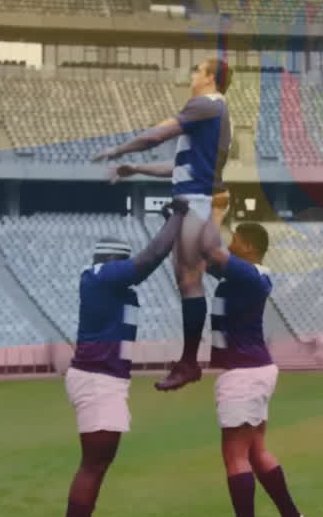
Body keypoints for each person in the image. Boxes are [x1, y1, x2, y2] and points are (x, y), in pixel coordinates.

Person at [94, 57, 233, 391]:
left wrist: (119, 149)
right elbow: (179, 167)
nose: (193, 74)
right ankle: (193, 360)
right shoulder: (214, 113)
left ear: (211, 77)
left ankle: (190, 362)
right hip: (196, 196)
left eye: (197, 70)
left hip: (196, 200)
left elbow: (158, 135)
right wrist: (137, 169)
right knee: (193, 276)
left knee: (191, 278)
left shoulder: (205, 104)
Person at [56, 200, 187, 517]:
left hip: (105, 378)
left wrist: (171, 226)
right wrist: (177, 216)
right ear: (113, 261)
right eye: (123, 263)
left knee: (100, 461)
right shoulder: (103, 275)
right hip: (98, 379)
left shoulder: (108, 284)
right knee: (94, 462)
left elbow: (157, 258)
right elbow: (146, 261)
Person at [196, 193, 309, 517]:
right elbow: (205, 257)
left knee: (235, 455)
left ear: (246, 245)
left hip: (243, 373)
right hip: (253, 369)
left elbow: (211, 253)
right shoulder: (246, 276)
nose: (229, 245)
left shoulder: (248, 275)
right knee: (256, 450)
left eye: (235, 240)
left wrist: (216, 211)